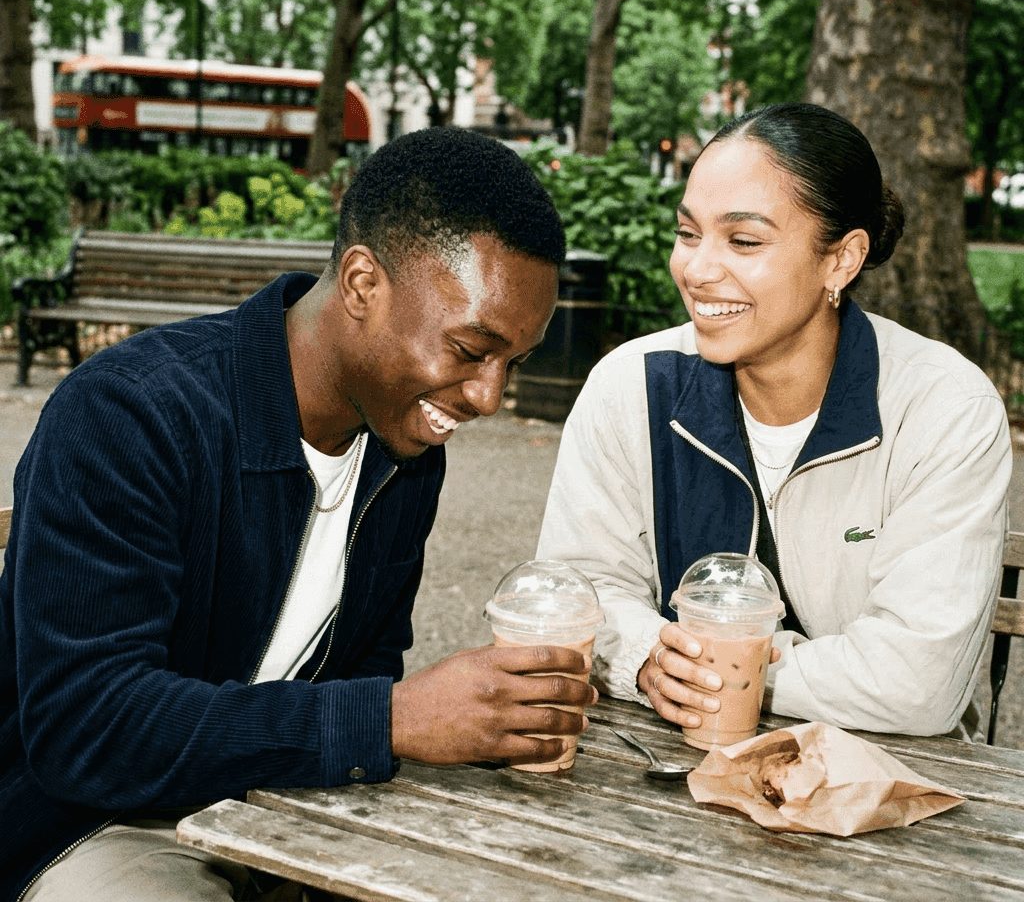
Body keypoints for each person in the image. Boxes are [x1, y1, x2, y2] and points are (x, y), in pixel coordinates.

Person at [0, 126, 599, 901]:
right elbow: (87, 728)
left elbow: (365, 664)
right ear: (360, 284)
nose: (488, 397)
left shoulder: (402, 452)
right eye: (468, 349)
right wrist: (386, 720)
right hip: (89, 825)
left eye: (511, 365)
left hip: (285, 805)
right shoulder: (133, 413)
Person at [536, 102, 1011, 742]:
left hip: (882, 783)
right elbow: (580, 592)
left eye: (744, 241)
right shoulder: (631, 386)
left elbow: (918, 682)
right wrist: (648, 658)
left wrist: (733, 670)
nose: (698, 269)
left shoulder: (943, 409)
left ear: (841, 260)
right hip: (663, 764)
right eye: (687, 233)